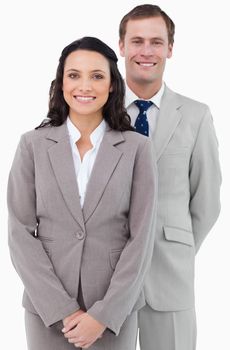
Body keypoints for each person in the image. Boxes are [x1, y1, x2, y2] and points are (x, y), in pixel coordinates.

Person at [7, 36, 158, 350]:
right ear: (61, 83)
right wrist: (62, 309)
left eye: (97, 76)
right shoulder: (32, 146)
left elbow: (141, 238)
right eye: (74, 75)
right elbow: (19, 234)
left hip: (114, 313)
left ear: (113, 85)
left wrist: (104, 314)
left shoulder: (137, 149)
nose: (85, 86)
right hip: (47, 313)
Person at [118, 4, 221, 350]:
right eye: (137, 41)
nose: (146, 51)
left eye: (156, 42)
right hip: (107, 279)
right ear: (121, 47)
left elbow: (206, 202)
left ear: (170, 49)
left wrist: (179, 245)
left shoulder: (196, 115)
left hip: (171, 276)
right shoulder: (97, 111)